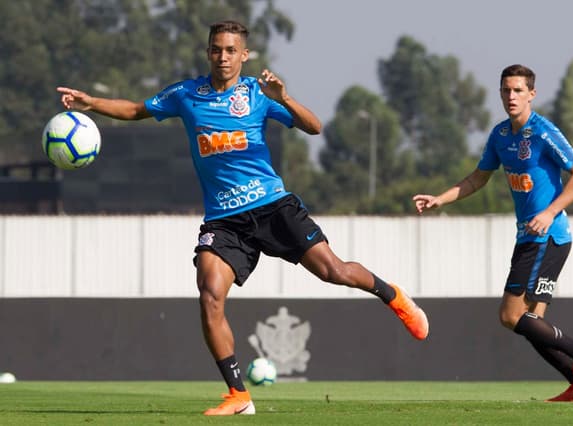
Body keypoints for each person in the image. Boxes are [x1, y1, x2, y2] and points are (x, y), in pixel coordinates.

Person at [58, 20, 428, 416]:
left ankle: (393, 295)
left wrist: (283, 98)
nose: (223, 57)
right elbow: (135, 109)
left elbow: (314, 127)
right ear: (208, 52)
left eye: (231, 50)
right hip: (224, 221)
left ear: (244, 55)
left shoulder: (257, 92)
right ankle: (238, 395)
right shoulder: (186, 93)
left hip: (273, 207)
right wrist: (91, 103)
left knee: (333, 271)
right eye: (217, 49)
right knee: (209, 293)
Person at [412, 64, 573, 402]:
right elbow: (478, 177)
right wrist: (440, 199)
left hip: (549, 236)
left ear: (532, 94)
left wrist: (548, 212)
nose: (511, 96)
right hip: (528, 238)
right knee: (531, 324)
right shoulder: (501, 136)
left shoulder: (544, 131)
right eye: (506, 90)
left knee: (510, 315)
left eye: (518, 90)